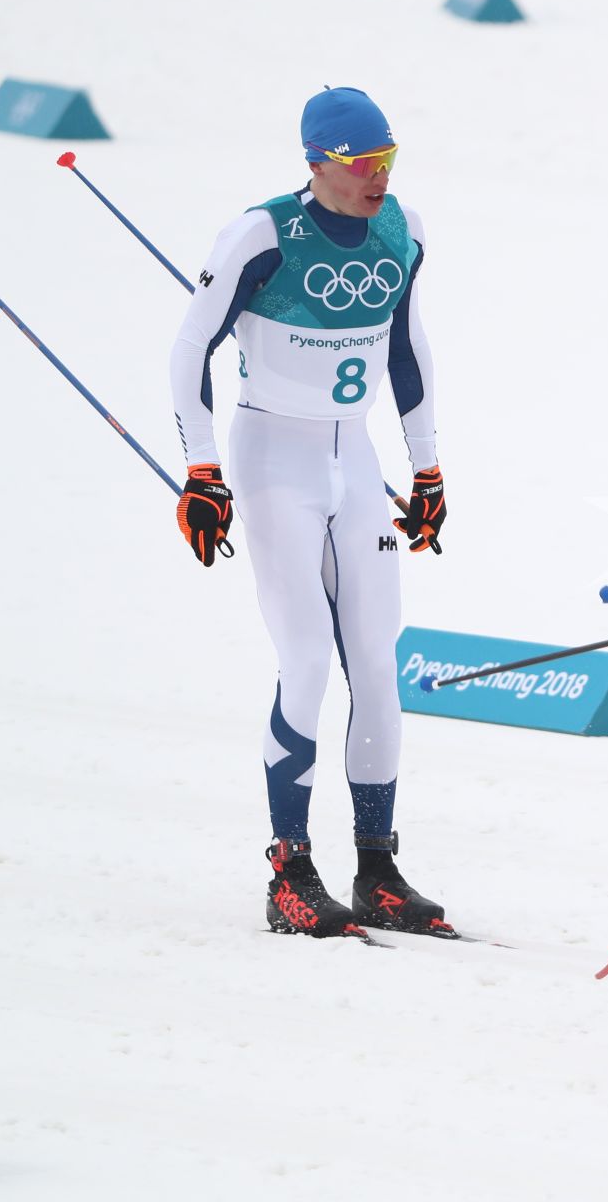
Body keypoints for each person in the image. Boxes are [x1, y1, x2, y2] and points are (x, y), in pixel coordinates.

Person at [169, 86, 453, 940]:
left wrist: (429, 468)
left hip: (354, 461)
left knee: (376, 661)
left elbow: (404, 350)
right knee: (307, 662)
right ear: (319, 163)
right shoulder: (260, 235)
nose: (378, 178)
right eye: (364, 164)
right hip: (272, 463)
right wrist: (202, 471)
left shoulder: (402, 230)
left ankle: (377, 869)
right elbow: (192, 348)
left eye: (388, 161)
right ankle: (289, 873)